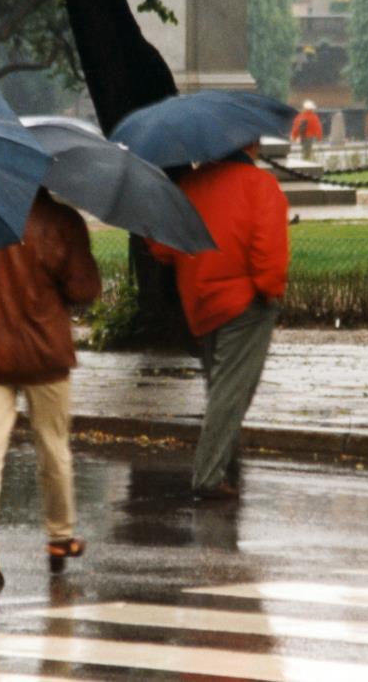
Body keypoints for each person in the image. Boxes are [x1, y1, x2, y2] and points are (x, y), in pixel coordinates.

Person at [0, 187, 101, 590]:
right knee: (53, 446)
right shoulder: (61, 222)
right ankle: (60, 537)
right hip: (45, 353)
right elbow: (84, 289)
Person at [148, 143, 289, 500]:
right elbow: (268, 251)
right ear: (251, 145)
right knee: (230, 391)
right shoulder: (259, 185)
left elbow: (162, 248)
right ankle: (209, 476)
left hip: (200, 302)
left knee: (221, 387)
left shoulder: (189, 187)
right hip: (245, 304)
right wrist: (270, 290)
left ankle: (225, 461)